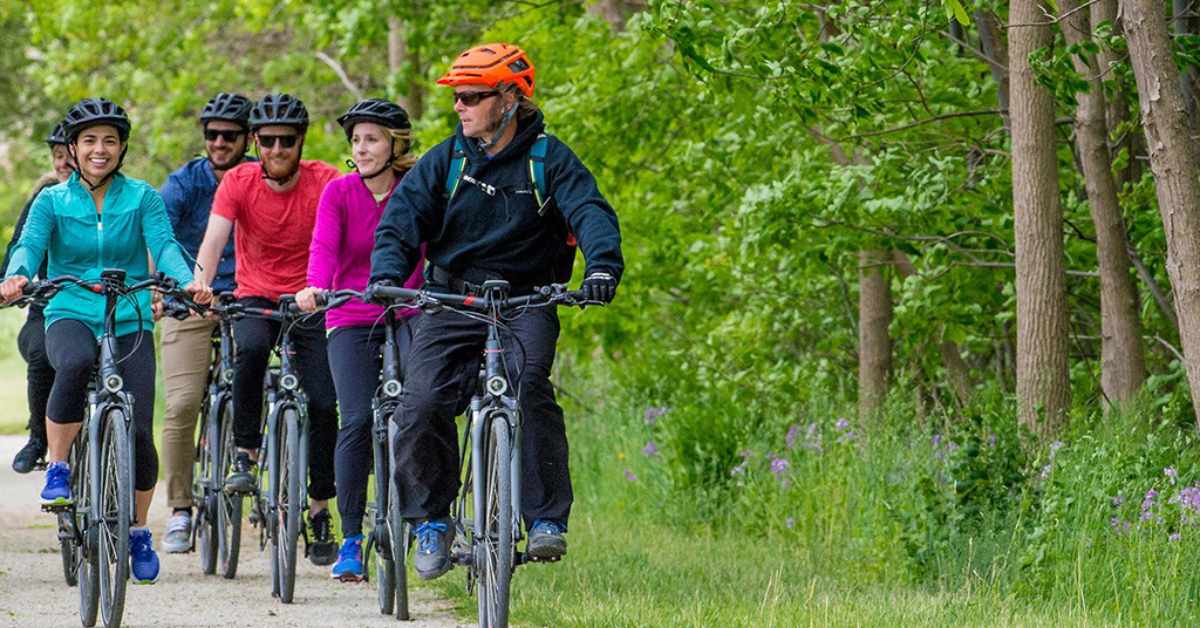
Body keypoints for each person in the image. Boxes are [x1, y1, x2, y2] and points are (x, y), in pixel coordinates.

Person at [368, 43, 623, 580]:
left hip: (525, 299)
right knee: (420, 403)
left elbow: (591, 212)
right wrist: (388, 276)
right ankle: (432, 520)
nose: (458, 107)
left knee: (529, 387)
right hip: (451, 299)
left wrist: (601, 269)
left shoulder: (549, 159)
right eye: (456, 98)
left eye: (471, 97)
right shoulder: (447, 160)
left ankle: (547, 520)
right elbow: (400, 221)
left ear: (509, 98)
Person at [0, 98, 212, 584]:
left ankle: (137, 530)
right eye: (90, 141)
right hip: (70, 309)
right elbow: (29, 247)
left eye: (110, 141)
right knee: (72, 364)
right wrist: (17, 277)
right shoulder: (52, 202)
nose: (101, 150)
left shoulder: (142, 198)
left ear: (122, 148)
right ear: (73, 149)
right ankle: (59, 468)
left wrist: (187, 282)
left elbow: (164, 246)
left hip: (130, 313)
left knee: (138, 429)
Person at [193, 93, 341, 566]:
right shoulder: (238, 181)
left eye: (287, 141)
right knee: (251, 351)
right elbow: (214, 240)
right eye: (268, 141)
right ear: (254, 142)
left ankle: (320, 508)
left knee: (322, 399)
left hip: (310, 297)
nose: (277, 150)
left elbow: (343, 237)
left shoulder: (326, 182)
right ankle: (245, 453)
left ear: (301, 142)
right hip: (255, 293)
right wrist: (200, 282)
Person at [295, 98, 426, 581]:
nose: (362, 148)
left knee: (421, 408)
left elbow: (437, 245)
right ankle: (351, 538)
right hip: (349, 314)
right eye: (356, 140)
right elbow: (324, 247)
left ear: (396, 144)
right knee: (353, 419)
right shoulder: (339, 192)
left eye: (372, 138)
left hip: (409, 310)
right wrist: (315, 286)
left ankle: (426, 516)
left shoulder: (416, 191)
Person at [156, 92, 253, 553]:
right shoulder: (183, 183)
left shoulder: (260, 176)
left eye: (229, 135)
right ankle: (179, 508)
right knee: (181, 405)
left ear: (247, 138)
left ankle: (264, 479)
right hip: (187, 301)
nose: (219, 142)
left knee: (268, 385)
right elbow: (160, 238)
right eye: (211, 133)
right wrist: (168, 287)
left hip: (247, 300)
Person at [6, 119, 74, 473]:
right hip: (46, 306)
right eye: (57, 156)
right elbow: (18, 249)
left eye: (68, 156)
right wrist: (10, 281)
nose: (63, 164)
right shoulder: (42, 199)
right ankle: (38, 438)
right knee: (40, 349)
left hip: (98, 304)